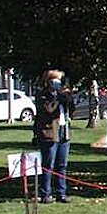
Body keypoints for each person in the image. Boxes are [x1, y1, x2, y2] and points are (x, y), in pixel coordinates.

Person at [34, 69, 75, 204]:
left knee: (62, 165)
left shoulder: (63, 95)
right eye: (55, 81)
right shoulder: (43, 95)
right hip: (50, 133)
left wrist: (68, 97)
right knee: (48, 165)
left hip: (64, 131)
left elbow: (72, 109)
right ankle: (46, 193)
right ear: (49, 82)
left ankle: (61, 193)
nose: (58, 84)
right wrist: (57, 96)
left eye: (59, 81)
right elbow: (49, 110)